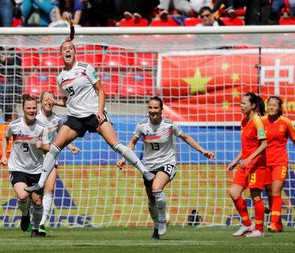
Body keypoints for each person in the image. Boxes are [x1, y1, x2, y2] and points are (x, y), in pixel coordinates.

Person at [25, 22, 156, 194]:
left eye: (70, 48)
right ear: (60, 53)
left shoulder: (86, 68)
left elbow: (101, 90)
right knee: (55, 147)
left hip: (94, 114)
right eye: (64, 49)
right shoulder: (61, 78)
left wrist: (100, 111)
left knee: (115, 145)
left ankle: (145, 171)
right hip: (75, 118)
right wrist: (55, 102)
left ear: (74, 51)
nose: (67, 51)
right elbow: (69, 100)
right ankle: (41, 183)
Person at [116, 96, 215, 240]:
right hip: (148, 166)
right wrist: (123, 158)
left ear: (161, 110)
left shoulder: (169, 125)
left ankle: (162, 220)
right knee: (151, 201)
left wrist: (203, 150)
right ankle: (157, 227)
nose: (153, 111)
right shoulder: (142, 126)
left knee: (157, 188)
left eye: (156, 108)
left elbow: (186, 137)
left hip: (167, 163)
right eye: (150, 107)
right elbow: (132, 143)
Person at [1, 94, 50, 237]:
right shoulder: (15, 125)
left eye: (34, 108)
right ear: (23, 109)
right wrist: (4, 155)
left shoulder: (42, 127)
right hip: (18, 168)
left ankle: (35, 229)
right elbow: (6, 138)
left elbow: (49, 148)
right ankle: (25, 214)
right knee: (22, 196)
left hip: (36, 168)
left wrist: (43, 146)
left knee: (37, 201)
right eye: (28, 108)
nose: (31, 110)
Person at [36, 91, 80, 236]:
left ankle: (42, 223)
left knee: (49, 189)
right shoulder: (35, 119)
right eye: (46, 99)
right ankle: (33, 220)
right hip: (34, 160)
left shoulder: (58, 120)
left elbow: (63, 136)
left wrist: (71, 146)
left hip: (51, 158)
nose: (49, 101)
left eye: (51, 99)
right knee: (36, 195)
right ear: (41, 102)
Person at [227, 92, 267, 237]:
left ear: (253, 105)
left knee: (255, 196)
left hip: (257, 164)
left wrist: (249, 159)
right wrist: (235, 161)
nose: (241, 106)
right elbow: (246, 146)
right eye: (240, 103)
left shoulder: (258, 121)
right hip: (245, 164)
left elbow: (264, 144)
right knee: (234, 192)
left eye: (244, 103)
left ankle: (259, 230)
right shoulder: (244, 121)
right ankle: (246, 224)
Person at [262, 96, 295, 232]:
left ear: (280, 107)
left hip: (280, 161)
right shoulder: (261, 122)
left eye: (274, 105)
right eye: (269, 105)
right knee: (270, 193)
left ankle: (274, 223)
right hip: (264, 162)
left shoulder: (285, 122)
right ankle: (279, 223)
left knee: (276, 191)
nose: (271, 107)